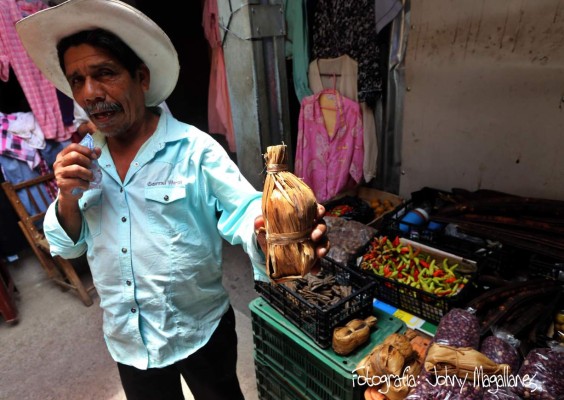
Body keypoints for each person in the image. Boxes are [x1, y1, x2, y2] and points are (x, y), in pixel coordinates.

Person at [16, 1, 329, 399]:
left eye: (105, 73)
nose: (90, 93)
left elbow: (244, 209)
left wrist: (269, 233)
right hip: (128, 341)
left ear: (141, 77)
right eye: (77, 80)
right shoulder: (81, 160)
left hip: (200, 329)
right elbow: (65, 245)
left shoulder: (194, 150)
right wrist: (66, 196)